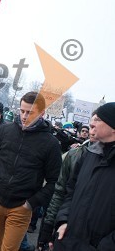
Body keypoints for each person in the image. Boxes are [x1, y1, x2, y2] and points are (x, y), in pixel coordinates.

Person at [0, 92, 62, 251]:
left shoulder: (51, 143)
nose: (24, 116)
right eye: (22, 111)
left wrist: (31, 203)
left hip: (21, 208)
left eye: (30, 112)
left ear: (42, 113)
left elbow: (54, 181)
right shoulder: (4, 131)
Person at [54, 103, 115, 250]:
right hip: (67, 241)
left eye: (98, 119)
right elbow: (70, 191)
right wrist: (63, 221)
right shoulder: (88, 154)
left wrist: (105, 246)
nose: (92, 123)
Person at [37, 113, 97, 250]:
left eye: (96, 126)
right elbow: (60, 192)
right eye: (91, 126)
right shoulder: (74, 155)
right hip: (64, 224)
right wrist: (47, 227)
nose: (93, 131)